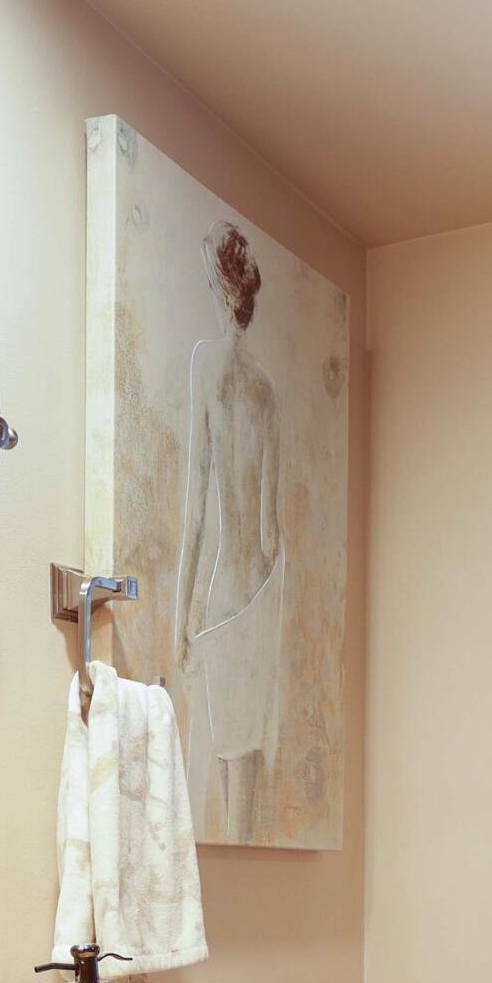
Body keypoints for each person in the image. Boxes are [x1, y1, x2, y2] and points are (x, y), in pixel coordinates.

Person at [172, 220, 286, 842]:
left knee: (205, 774)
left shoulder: (207, 366)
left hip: (218, 598)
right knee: (243, 795)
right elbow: (271, 535)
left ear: (220, 289)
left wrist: (180, 623)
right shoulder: (267, 391)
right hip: (255, 604)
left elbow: (196, 511)